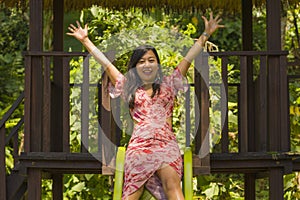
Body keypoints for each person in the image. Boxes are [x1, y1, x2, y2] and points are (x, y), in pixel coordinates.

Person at [67, 12, 224, 200]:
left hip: (165, 146)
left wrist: (206, 34)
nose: (147, 65)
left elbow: (188, 59)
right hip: (140, 148)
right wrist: (86, 41)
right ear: (135, 67)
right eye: (141, 62)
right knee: (132, 193)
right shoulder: (129, 88)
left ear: (157, 64)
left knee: (172, 186)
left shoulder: (169, 84)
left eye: (151, 60)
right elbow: (107, 65)